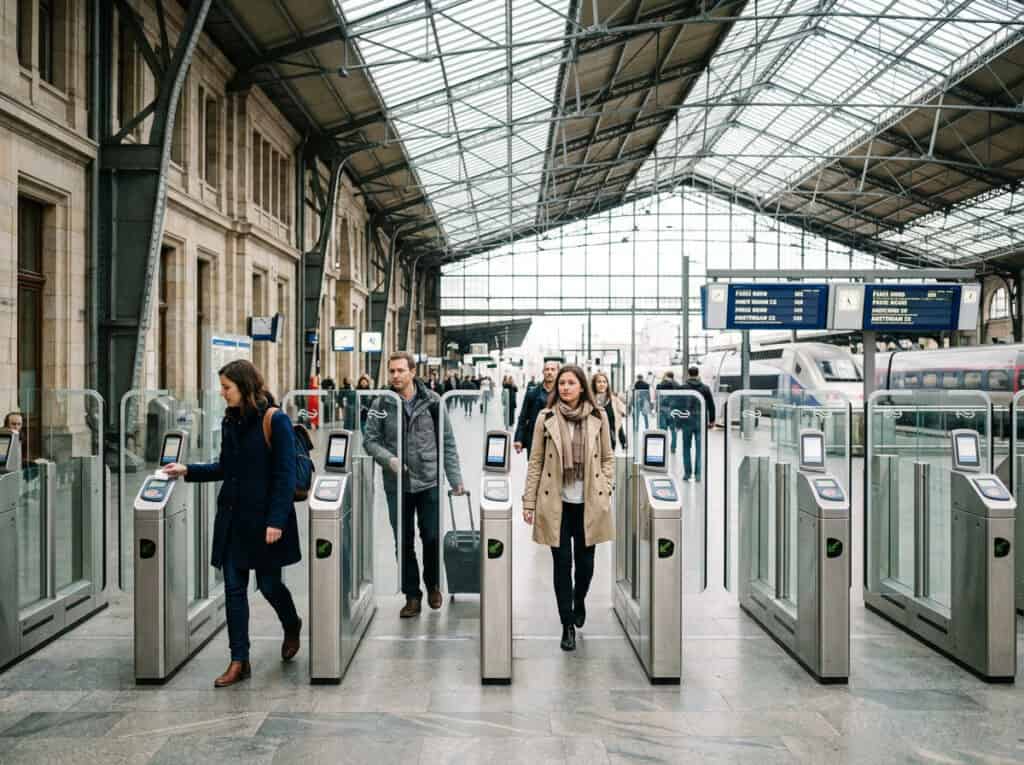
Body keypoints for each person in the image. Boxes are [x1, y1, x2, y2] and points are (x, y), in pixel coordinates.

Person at [162, 360, 302, 688]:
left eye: (227, 387)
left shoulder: (275, 420)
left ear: (245, 386)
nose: (222, 393)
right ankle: (239, 659)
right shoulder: (230, 421)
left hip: (266, 520)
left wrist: (276, 520)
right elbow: (225, 467)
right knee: (234, 589)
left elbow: (285, 476)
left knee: (269, 586)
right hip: (234, 519)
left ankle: (291, 622)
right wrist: (188, 470)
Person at [364, 351, 464, 618]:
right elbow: (369, 440)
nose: (395, 376)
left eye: (400, 370)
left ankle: (432, 584)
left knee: (431, 537)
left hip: (429, 480)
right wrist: (389, 460)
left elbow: (447, 442)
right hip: (397, 483)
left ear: (412, 372)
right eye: (392, 371)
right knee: (403, 540)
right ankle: (412, 595)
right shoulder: (381, 403)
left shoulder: (433, 402)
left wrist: (455, 480)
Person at [522, 365, 614, 651]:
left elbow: (609, 458)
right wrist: (529, 501)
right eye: (561, 383)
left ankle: (580, 599)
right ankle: (567, 624)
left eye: (570, 383)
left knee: (585, 566)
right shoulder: (545, 418)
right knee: (562, 565)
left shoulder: (599, 417)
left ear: (581, 386)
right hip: (556, 504)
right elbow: (535, 461)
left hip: (588, 503)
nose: (564, 388)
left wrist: (606, 485)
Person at [514, 360, 559, 457]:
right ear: (543, 372)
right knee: (534, 469)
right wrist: (518, 438)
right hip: (534, 438)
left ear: (557, 372)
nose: (549, 372)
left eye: (552, 369)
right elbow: (523, 417)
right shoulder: (533, 393)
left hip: (555, 439)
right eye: (547, 369)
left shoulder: (562, 393)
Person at [680, 365, 716, 481]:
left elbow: (677, 405)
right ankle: (698, 474)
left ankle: (687, 473)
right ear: (698, 374)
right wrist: (711, 420)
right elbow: (711, 405)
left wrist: (678, 422)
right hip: (700, 421)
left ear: (689, 374)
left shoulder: (683, 388)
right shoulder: (705, 388)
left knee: (686, 447)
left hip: (686, 421)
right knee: (700, 448)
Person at [591, 372, 627, 451]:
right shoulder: (590, 401)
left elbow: (618, 421)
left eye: (604, 382)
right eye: (599, 382)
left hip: (610, 440)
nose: (602, 384)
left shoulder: (614, 400)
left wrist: (623, 440)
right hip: (594, 441)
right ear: (594, 384)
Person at [656, 371, 680, 453]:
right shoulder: (677, 385)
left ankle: (663, 447)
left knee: (663, 429)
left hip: (662, 409)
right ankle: (673, 447)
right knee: (673, 430)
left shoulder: (662, 384)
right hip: (674, 410)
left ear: (666, 376)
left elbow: (657, 394)